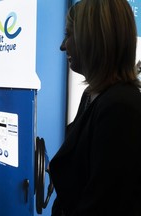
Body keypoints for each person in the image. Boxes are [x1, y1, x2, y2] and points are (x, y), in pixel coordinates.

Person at [49, 0, 141, 215]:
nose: (63, 46)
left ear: (93, 38)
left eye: (69, 34)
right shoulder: (93, 95)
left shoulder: (121, 108)